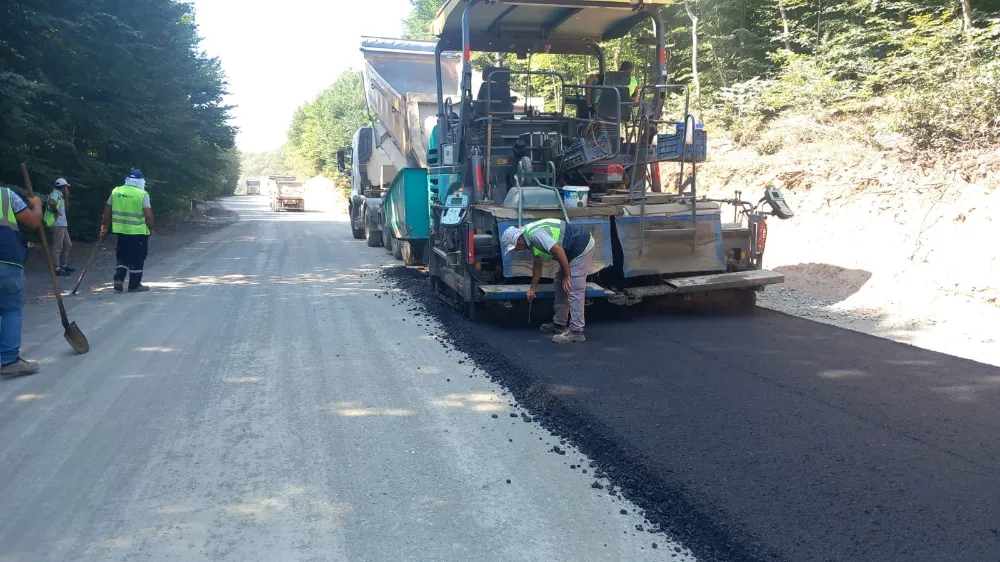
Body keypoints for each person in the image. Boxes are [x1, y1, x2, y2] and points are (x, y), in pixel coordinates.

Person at [501, 218, 596, 344]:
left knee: (573, 287)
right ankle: (559, 324)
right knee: (559, 282)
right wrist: (533, 289)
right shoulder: (530, 242)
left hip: (581, 248)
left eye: (515, 247)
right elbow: (537, 266)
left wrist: (567, 276)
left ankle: (576, 332)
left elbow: (558, 250)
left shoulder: (535, 235)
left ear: (519, 239)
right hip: (571, 251)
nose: (517, 250)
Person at [0, 184, 44, 376]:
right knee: (11, 310)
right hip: (6, 258)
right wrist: (37, 205)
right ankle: (9, 360)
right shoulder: (4, 194)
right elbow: (34, 221)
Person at [100, 169, 154, 293]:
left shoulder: (116, 191)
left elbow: (107, 210)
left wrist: (104, 225)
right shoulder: (142, 194)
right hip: (138, 232)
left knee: (122, 255)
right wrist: (150, 228)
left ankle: (119, 279)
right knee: (137, 257)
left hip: (121, 231)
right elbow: (148, 215)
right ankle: (134, 285)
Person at [46, 177, 74, 276]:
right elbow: (51, 203)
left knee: (68, 245)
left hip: (62, 223)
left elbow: (66, 209)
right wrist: (55, 211)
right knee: (57, 247)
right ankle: (57, 268)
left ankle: (63, 265)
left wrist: (66, 196)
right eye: (66, 186)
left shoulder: (60, 195)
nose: (67, 188)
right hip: (57, 224)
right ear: (64, 187)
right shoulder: (55, 194)